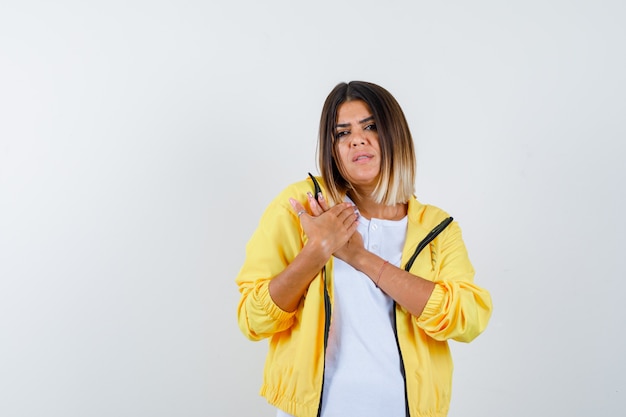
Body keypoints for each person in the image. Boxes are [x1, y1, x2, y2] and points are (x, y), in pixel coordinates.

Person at [235, 81, 492, 417]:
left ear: (395, 135)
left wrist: (359, 256)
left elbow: (467, 319)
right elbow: (253, 319)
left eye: (370, 126)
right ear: (332, 148)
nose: (357, 139)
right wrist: (317, 250)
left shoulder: (436, 228)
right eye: (342, 133)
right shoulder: (303, 207)